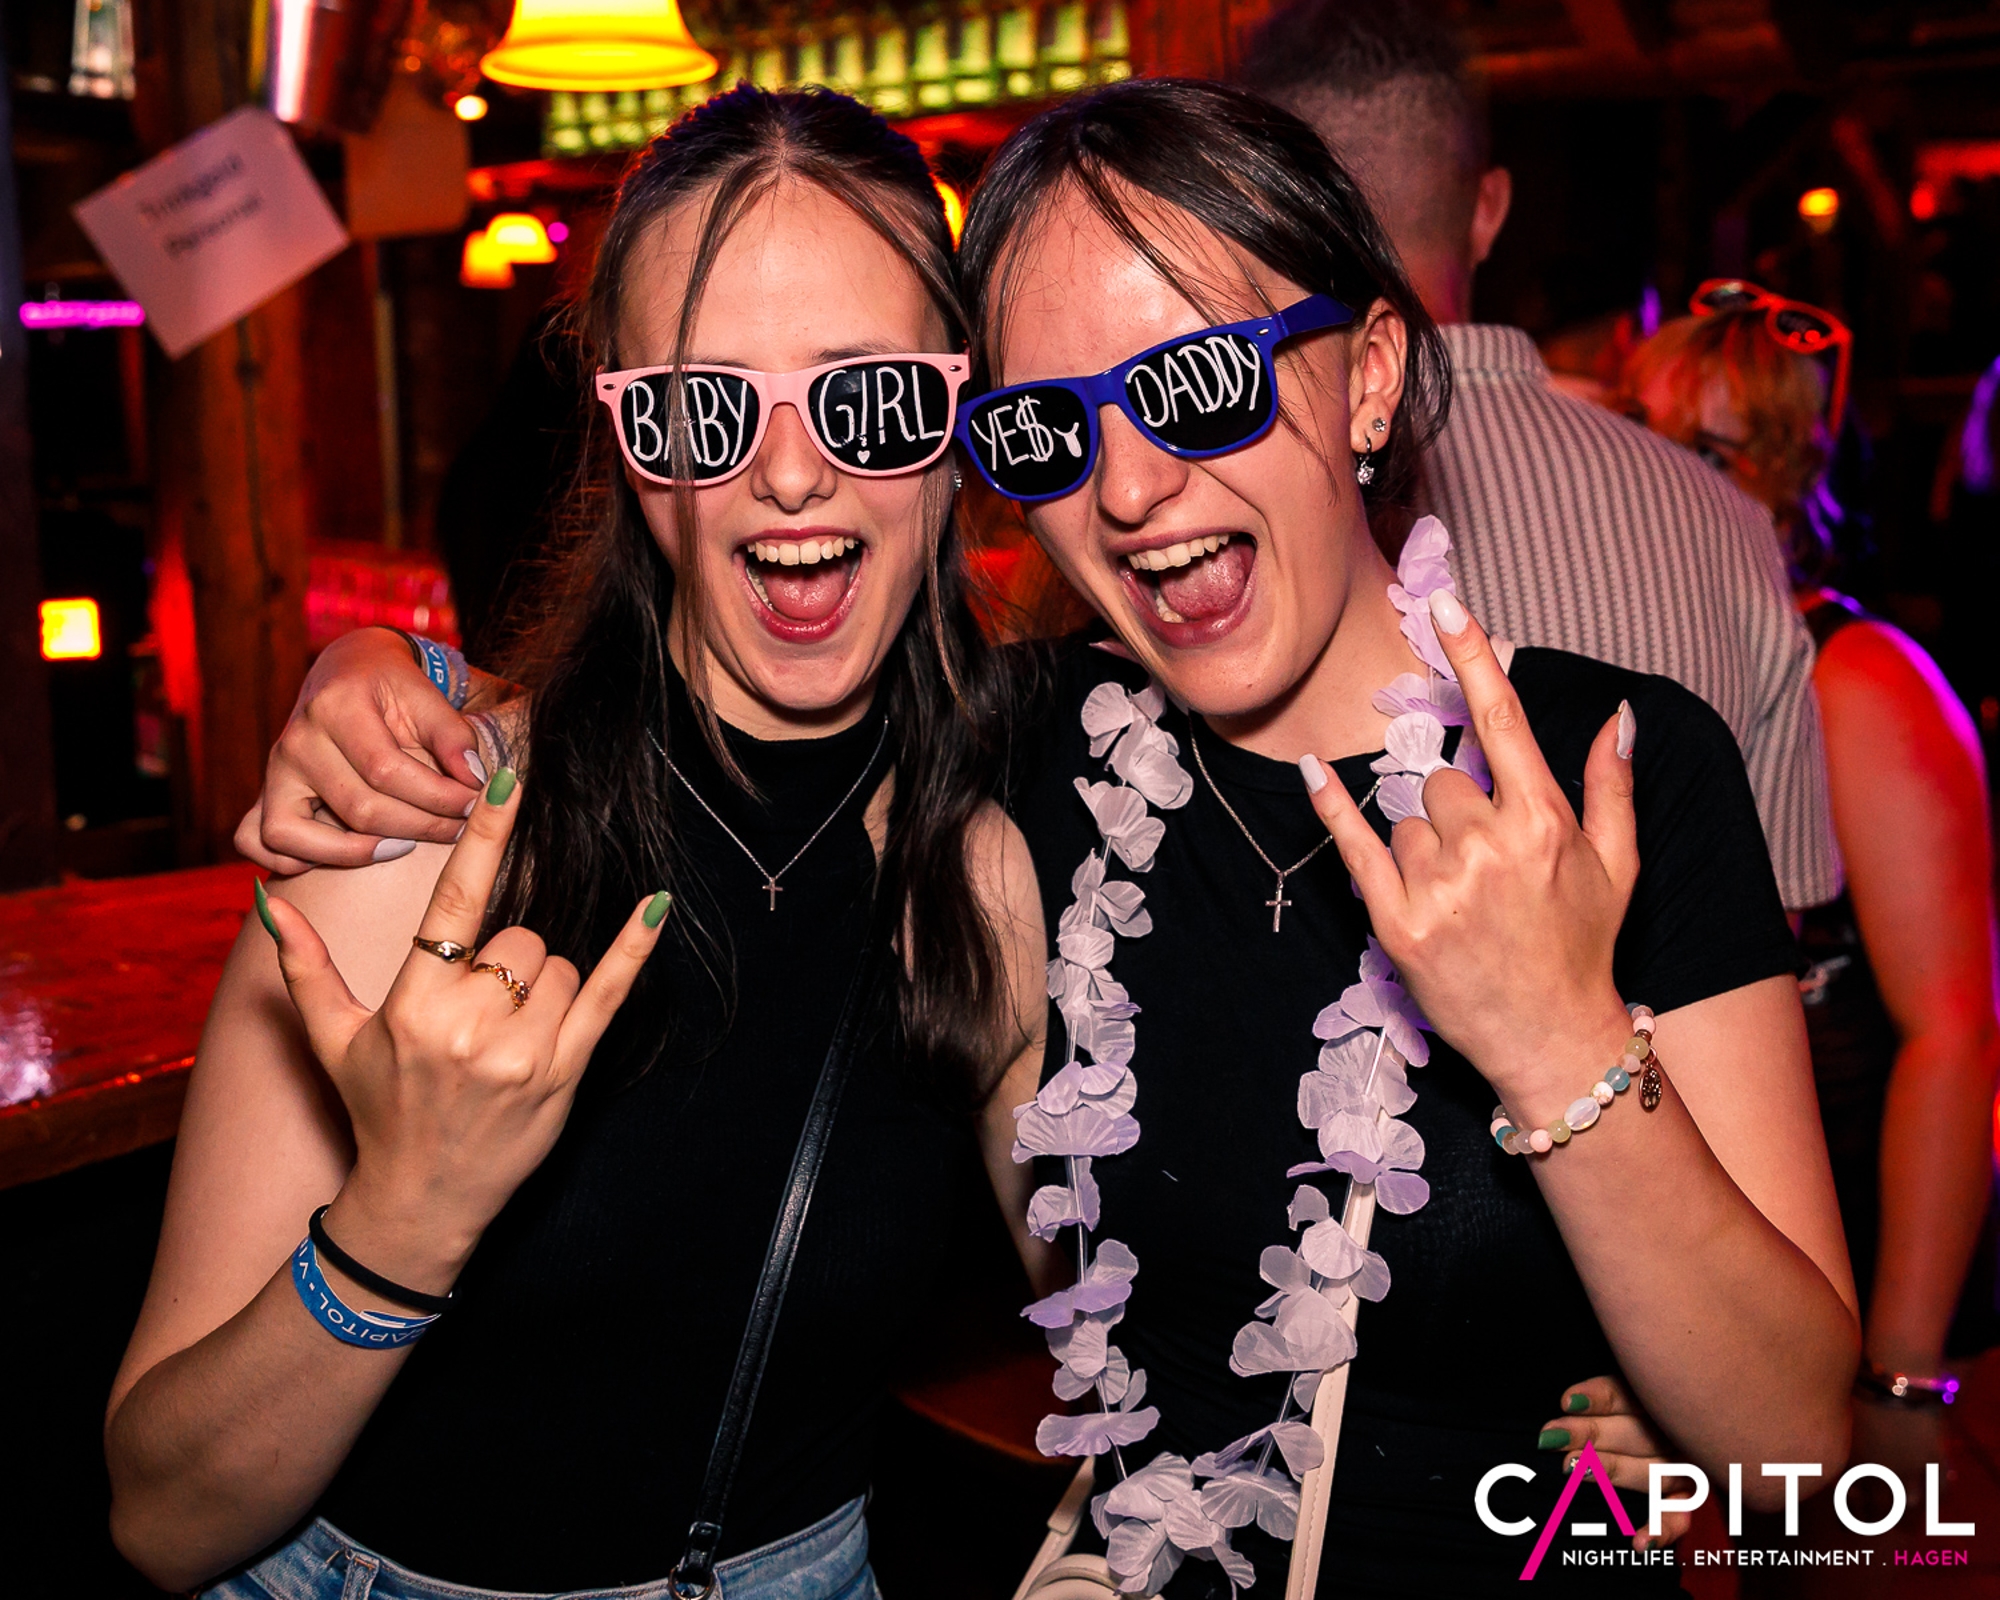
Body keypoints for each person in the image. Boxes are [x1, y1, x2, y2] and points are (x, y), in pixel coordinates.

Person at [233, 80, 1858, 1595]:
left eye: (1199, 385)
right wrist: (392, 679)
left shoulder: (1614, 771)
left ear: (1369, 376)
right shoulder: (1020, 769)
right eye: (1050, 430)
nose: (1130, 486)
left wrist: (1564, 1046)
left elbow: (1795, 1452)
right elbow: (688, 704)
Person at [104, 87, 1051, 1600]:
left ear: (957, 426)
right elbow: (160, 1517)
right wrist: (398, 1227)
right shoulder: (422, 830)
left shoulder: (989, 880)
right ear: (628, 448)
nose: (788, 474)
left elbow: (1145, 1338)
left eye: (868, 397)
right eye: (704, 408)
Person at [1236, 0, 1841, 915]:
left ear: (1259, 221)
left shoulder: (1228, 517)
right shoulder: (1731, 521)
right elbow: (1772, 929)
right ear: (1489, 209)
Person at [1623, 292, 2000, 1476]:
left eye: (1703, 453)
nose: (1655, 480)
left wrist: (1899, 1372)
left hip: (1852, 1252)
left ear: (1785, 475)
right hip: (1699, 1265)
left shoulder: (1858, 675)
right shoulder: (1647, 655)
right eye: (1640, 438)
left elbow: (1952, 1033)